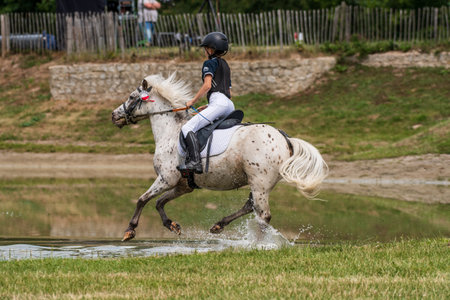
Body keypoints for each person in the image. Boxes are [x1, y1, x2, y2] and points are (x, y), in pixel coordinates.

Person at [178, 32, 234, 175]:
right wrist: (210, 107)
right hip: (228, 104)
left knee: (187, 127)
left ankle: (195, 162)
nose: (205, 51)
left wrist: (192, 101)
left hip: (219, 102)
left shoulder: (209, 63)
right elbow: (228, 92)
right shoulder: (226, 65)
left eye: (206, 48)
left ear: (211, 49)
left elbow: (207, 86)